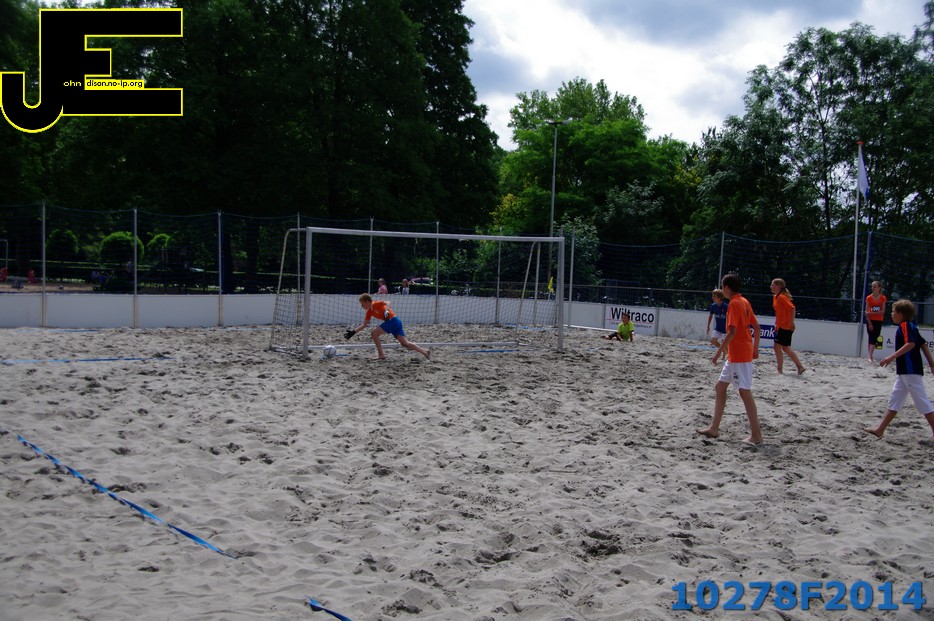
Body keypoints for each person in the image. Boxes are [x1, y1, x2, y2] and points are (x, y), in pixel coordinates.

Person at [697, 273, 763, 445]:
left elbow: (732, 331)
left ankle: (756, 435)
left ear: (727, 288)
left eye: (722, 286)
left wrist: (718, 352)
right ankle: (714, 428)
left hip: (739, 355)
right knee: (720, 387)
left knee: (745, 392)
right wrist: (755, 349)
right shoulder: (744, 301)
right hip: (738, 354)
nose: (721, 289)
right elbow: (756, 327)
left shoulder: (734, 303)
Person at [862, 299, 934, 441]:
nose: (891, 314)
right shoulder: (912, 326)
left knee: (922, 402)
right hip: (905, 372)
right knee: (895, 400)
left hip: (910, 371)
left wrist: (891, 357)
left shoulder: (905, 326)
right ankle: (880, 429)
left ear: (900, 314)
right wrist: (932, 364)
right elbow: (923, 345)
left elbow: (911, 344)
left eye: (893, 311)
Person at [346, 293, 430, 361]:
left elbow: (388, 302)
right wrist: (354, 332)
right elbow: (364, 324)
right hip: (394, 322)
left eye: (362, 304)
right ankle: (425, 352)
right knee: (405, 344)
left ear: (367, 301)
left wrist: (387, 309)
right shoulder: (369, 312)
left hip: (393, 320)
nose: (362, 306)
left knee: (374, 333)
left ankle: (381, 355)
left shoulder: (375, 304)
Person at [770, 278, 806, 375]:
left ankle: (779, 369)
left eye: (772, 284)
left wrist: (792, 322)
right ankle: (800, 367)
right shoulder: (775, 297)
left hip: (785, 326)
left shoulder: (782, 297)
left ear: (779, 286)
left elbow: (792, 308)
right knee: (785, 348)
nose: (771, 286)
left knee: (777, 347)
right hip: (781, 326)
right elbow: (780, 312)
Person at [864, 280, 887, 363]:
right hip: (871, 320)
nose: (873, 288)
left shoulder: (883, 298)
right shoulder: (869, 298)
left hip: (879, 320)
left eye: (874, 286)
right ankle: (870, 356)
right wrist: (869, 322)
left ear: (879, 288)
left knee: (875, 336)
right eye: (872, 286)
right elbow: (866, 312)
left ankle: (870, 355)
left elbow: (883, 311)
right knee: (871, 337)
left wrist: (871, 313)